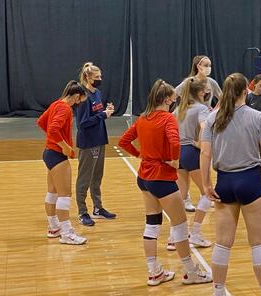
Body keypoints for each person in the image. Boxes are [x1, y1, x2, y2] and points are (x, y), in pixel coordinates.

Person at [118, 80, 212, 286]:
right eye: (173, 98)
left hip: (144, 178)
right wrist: (175, 160)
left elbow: (123, 141)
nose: (174, 101)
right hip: (162, 177)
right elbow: (174, 141)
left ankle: (154, 272)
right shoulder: (168, 118)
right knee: (179, 226)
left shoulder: (143, 118)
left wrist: (139, 154)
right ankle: (191, 272)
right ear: (168, 99)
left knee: (152, 225)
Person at [200, 73, 261, 296]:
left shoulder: (213, 119)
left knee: (222, 243)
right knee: (258, 243)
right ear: (246, 90)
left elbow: (205, 154)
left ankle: (218, 290)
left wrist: (206, 184)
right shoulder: (258, 117)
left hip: (224, 181)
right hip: (251, 182)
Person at [38, 80, 89, 245]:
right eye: (80, 99)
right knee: (65, 195)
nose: (80, 103)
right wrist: (65, 146)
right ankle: (66, 234)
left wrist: (54, 140)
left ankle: (54, 228)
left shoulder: (55, 104)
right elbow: (53, 129)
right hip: (57, 155)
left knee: (52, 192)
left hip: (48, 153)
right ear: (76, 96)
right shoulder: (65, 108)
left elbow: (42, 122)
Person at [175, 55, 223, 211]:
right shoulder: (189, 83)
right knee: (201, 182)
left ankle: (186, 203)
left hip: (197, 127)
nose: (208, 67)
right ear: (197, 65)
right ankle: (194, 203)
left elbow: (222, 99)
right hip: (191, 132)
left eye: (210, 64)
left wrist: (213, 112)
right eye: (205, 64)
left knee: (186, 171)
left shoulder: (212, 83)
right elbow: (173, 94)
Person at [171, 77, 213, 250]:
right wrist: (201, 143)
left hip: (179, 154)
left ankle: (174, 237)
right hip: (192, 152)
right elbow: (204, 127)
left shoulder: (178, 109)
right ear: (201, 92)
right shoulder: (201, 108)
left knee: (180, 196)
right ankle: (195, 233)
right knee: (207, 193)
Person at [75, 62, 116, 227]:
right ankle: (82, 212)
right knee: (84, 178)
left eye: (100, 76)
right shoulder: (83, 97)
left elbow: (97, 113)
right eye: (97, 77)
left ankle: (98, 208)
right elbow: (82, 123)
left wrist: (106, 111)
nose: (100, 79)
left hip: (99, 139)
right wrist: (102, 116)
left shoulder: (97, 92)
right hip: (88, 142)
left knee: (97, 177)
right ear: (88, 77)